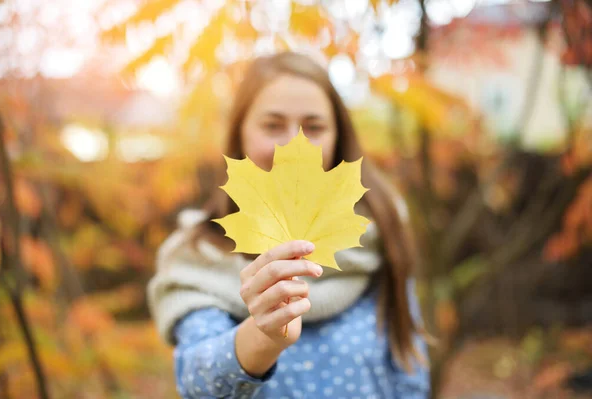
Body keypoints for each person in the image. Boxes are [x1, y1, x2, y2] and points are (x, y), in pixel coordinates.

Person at [147, 51, 430, 399]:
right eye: (272, 125)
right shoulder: (197, 254)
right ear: (240, 135)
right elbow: (199, 385)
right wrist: (262, 337)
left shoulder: (380, 229)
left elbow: (409, 371)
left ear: (338, 137)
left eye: (313, 127)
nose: (292, 145)